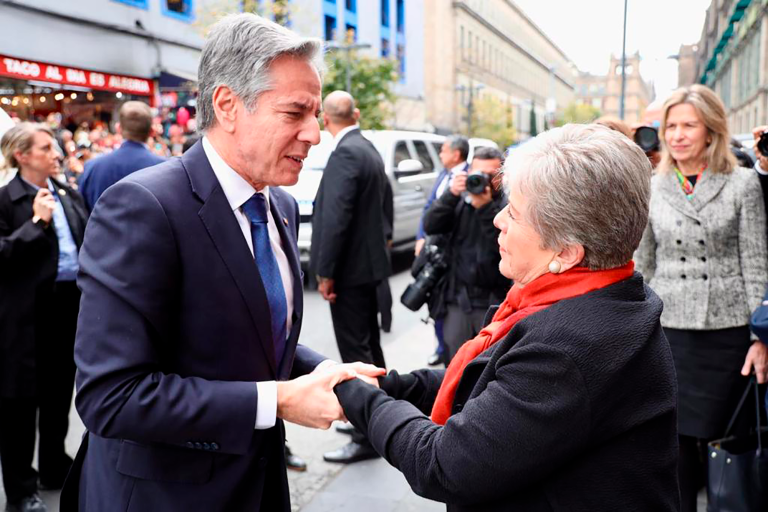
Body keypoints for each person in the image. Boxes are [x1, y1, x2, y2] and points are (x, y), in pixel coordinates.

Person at [61, 14, 382, 512]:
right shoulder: (144, 207)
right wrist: (277, 401)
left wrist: (326, 373)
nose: (315, 134)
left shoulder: (281, 205)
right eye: (295, 113)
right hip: (160, 496)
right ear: (228, 106)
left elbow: (257, 338)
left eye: (316, 114)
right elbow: (112, 397)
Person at [333, 124, 680, 511]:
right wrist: (390, 385)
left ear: (565, 253)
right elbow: (492, 384)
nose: (498, 221)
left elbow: (445, 464)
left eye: (513, 213)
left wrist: (357, 397)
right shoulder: (597, 294)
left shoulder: (567, 348)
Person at [634, 84, 768, 512]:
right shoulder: (652, 185)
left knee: (726, 446)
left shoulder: (742, 184)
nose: (677, 134)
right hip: (669, 333)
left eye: (688, 125)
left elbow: (756, 264)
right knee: (671, 446)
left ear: (711, 131)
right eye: (670, 125)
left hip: (728, 338)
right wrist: (636, 332)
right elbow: (643, 266)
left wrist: (760, 338)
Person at [0, 123, 89, 512]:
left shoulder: (68, 192)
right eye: (45, 148)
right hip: (23, 316)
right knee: (20, 402)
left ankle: (54, 466)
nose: (56, 154)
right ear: (22, 155)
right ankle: (21, 488)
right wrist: (36, 224)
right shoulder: (6, 200)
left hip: (68, 307)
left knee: (58, 393)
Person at [309, 90, 392, 464]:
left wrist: (325, 271)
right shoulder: (368, 148)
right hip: (368, 266)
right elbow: (384, 204)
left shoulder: (345, 152)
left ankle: (367, 434)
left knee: (356, 355)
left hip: (350, 271)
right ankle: (377, 419)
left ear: (326, 119)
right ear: (355, 114)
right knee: (369, 349)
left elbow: (335, 217)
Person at [423, 146, 510, 361]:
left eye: (491, 174)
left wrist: (485, 208)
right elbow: (431, 225)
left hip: (495, 301)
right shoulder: (459, 199)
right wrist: (451, 194)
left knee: (489, 365)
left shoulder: (508, 205)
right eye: (478, 174)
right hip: (458, 299)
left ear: (502, 175)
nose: (484, 180)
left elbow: (505, 248)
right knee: (455, 364)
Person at [416, 135, 469, 366]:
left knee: (449, 309)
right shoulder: (443, 176)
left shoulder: (469, 177)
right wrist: (421, 237)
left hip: (454, 255)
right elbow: (429, 209)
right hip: (433, 248)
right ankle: (441, 345)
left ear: (456, 154)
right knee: (432, 300)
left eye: (443, 151)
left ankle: (447, 349)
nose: (440, 155)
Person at [78, 101, 165, 211]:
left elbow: (82, 211)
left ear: (118, 128)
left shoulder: (92, 167)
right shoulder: (165, 168)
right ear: (152, 131)